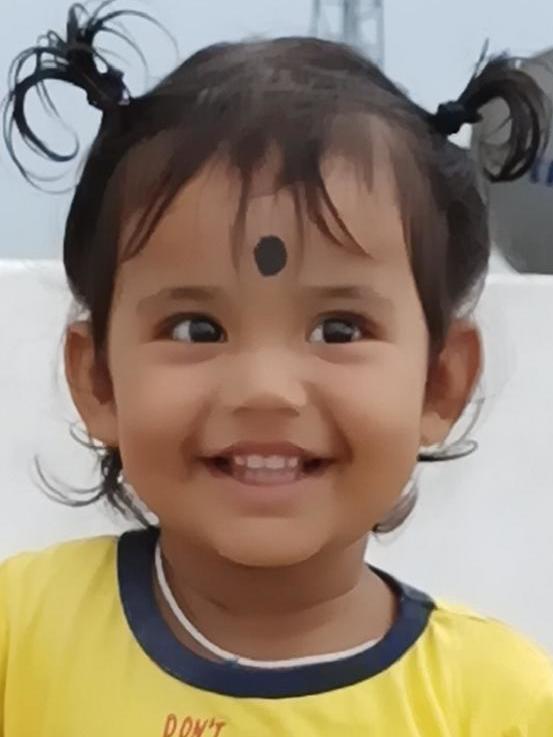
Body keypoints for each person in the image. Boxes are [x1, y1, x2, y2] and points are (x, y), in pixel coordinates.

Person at [1, 3, 552, 735]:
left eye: (339, 329)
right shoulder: (20, 636)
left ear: (439, 382)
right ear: (98, 379)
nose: (264, 388)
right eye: (196, 329)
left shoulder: (500, 705)